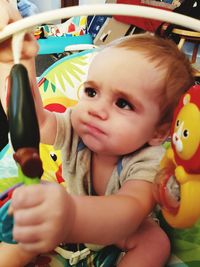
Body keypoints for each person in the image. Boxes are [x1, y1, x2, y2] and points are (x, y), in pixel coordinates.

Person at [0, 1, 194, 266]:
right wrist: (18, 61)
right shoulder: (78, 128)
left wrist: (70, 216)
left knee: (155, 241)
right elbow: (38, 123)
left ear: (159, 131)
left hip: (120, 232)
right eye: (91, 92)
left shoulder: (150, 161)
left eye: (123, 103)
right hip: (69, 221)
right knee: (26, 225)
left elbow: (128, 210)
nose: (96, 110)